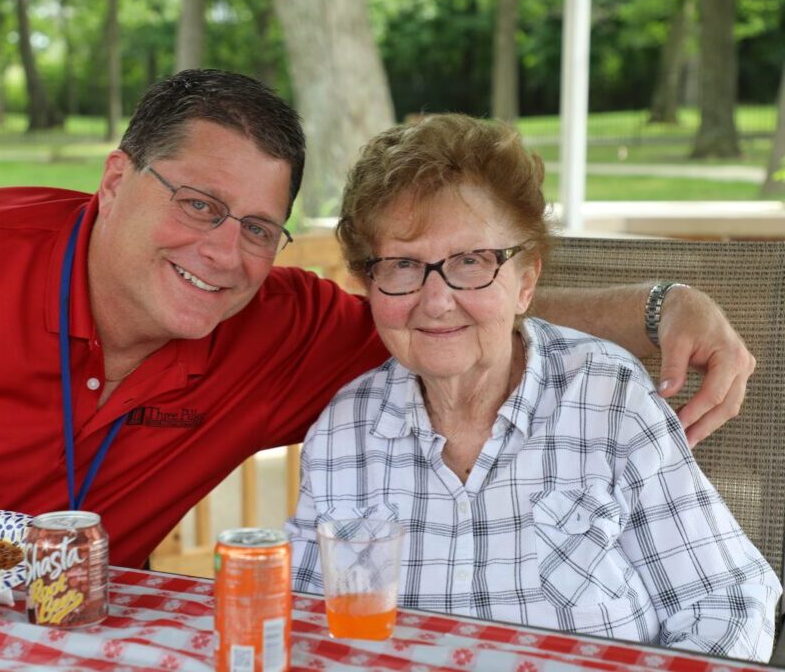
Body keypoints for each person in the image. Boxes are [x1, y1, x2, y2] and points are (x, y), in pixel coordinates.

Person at [0, 70, 755, 571]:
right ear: (113, 179)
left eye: (260, 227)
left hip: (69, 634)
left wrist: (657, 305)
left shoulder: (277, 324)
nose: (224, 253)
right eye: (200, 205)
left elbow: (445, 299)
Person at [286, 114, 780, 661]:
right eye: (403, 265)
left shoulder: (608, 399)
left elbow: (730, 600)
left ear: (525, 283)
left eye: (471, 262)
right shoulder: (346, 430)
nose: (436, 299)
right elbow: (306, 622)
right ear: (367, 283)